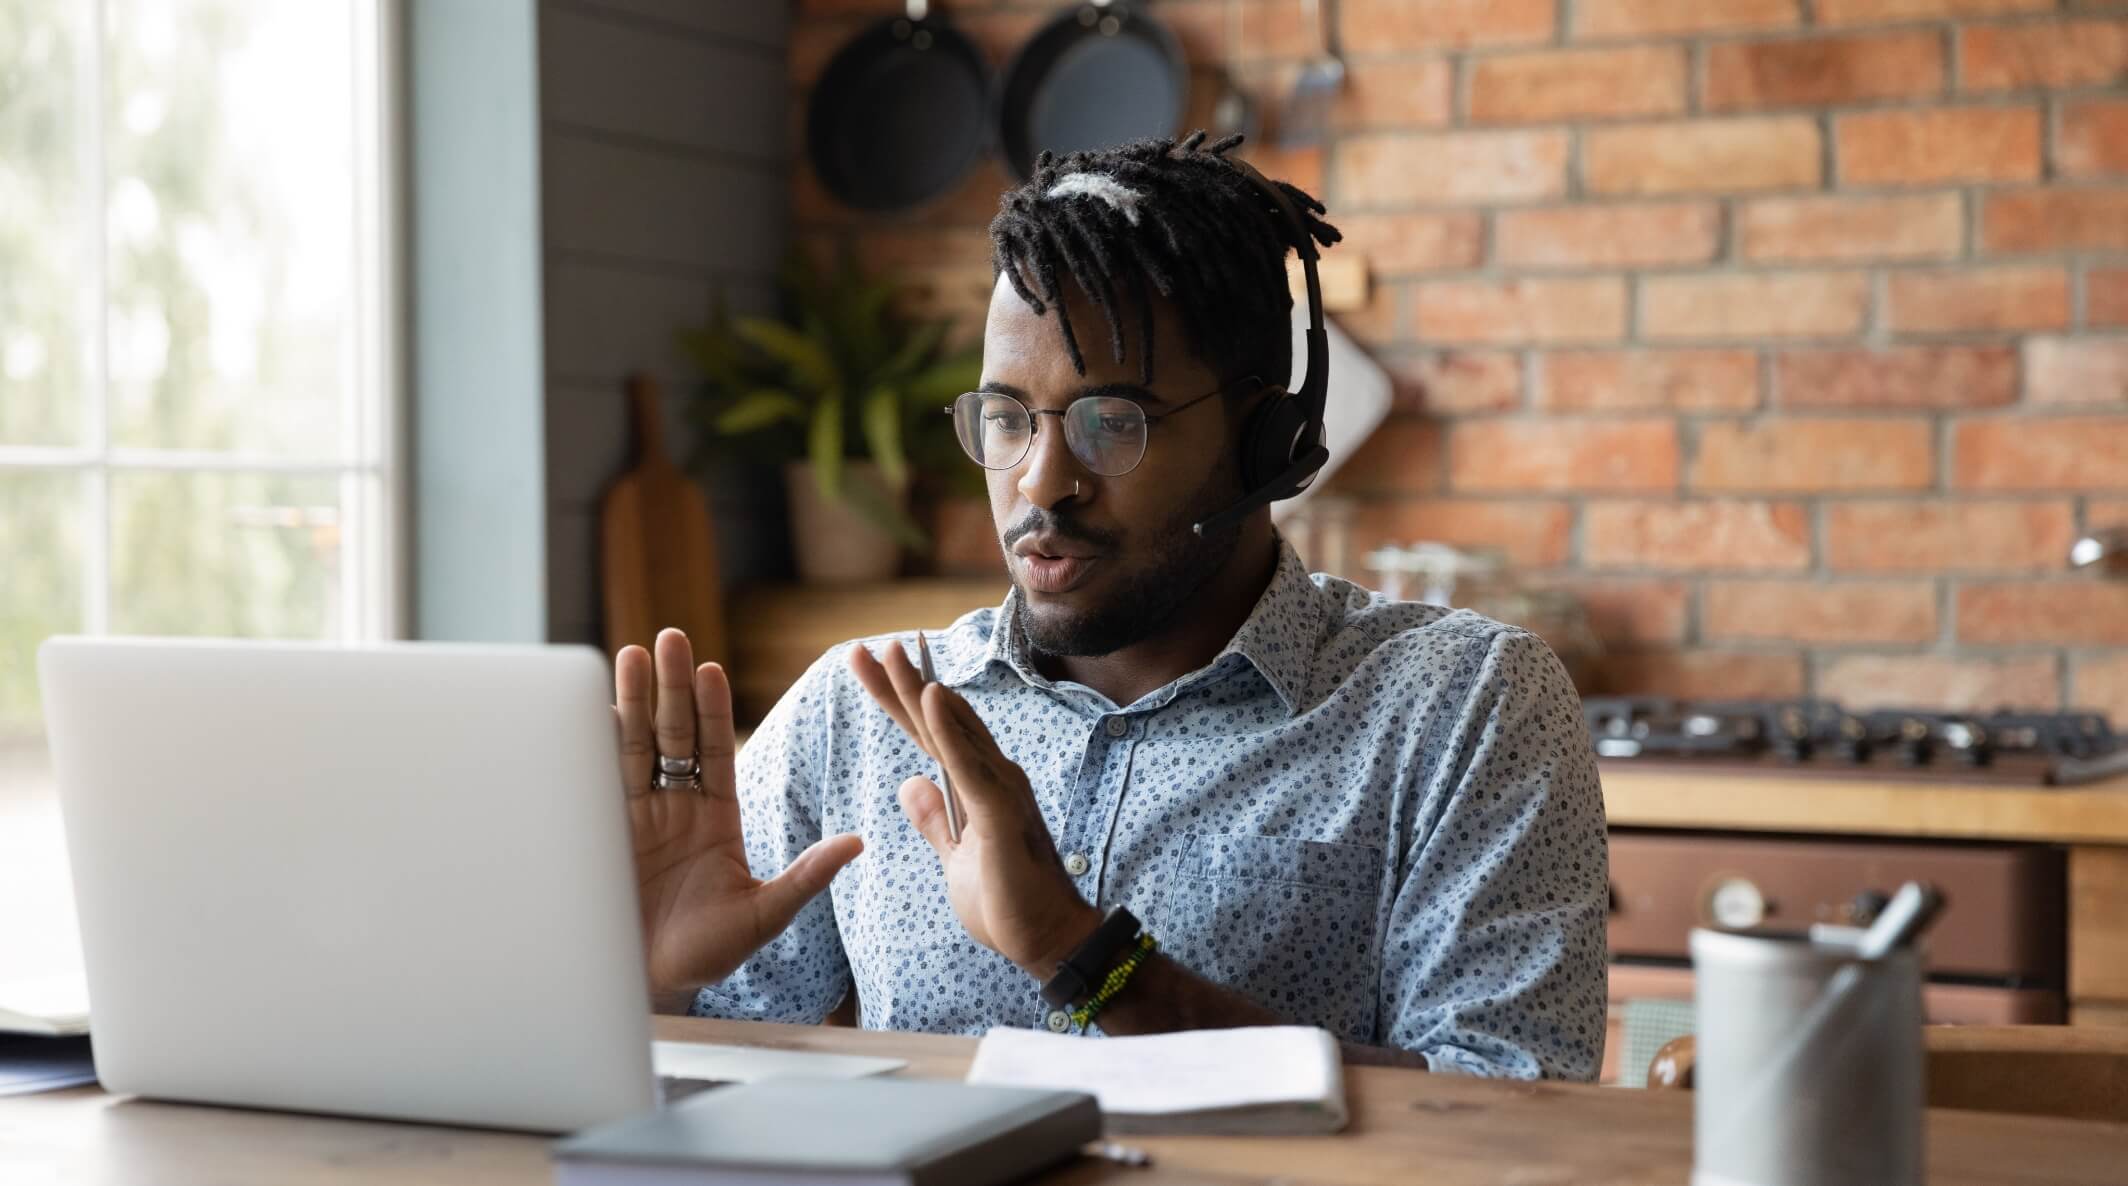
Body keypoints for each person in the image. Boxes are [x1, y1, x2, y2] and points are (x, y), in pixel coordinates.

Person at [614, 134, 1609, 1080]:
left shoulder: (1460, 706)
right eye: (1007, 418)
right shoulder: (856, 713)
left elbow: (1506, 1112)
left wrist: (1080, 952)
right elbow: (696, 1109)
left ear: (1264, 440)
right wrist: (651, 984)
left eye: (1112, 423)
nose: (1043, 483)